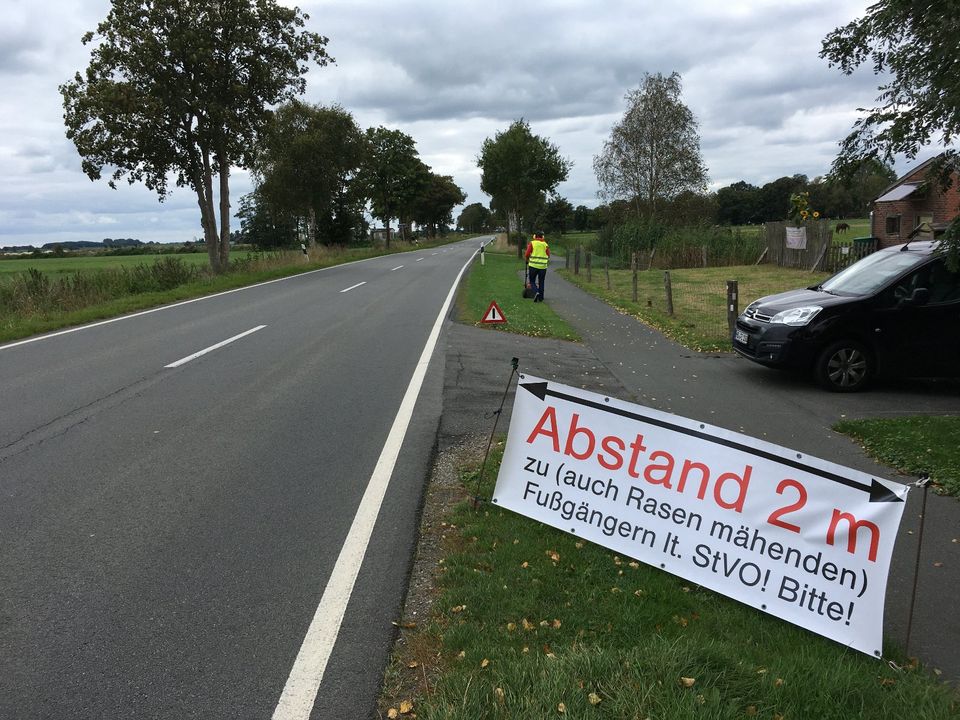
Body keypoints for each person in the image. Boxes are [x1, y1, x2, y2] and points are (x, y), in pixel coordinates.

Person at [524, 232, 550, 302]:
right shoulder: (545, 244)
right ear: (542, 237)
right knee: (541, 281)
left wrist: (527, 259)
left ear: (535, 236)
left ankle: (536, 292)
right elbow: (548, 254)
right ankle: (541, 297)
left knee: (532, 281)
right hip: (543, 267)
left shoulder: (532, 243)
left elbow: (527, 254)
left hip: (533, 266)